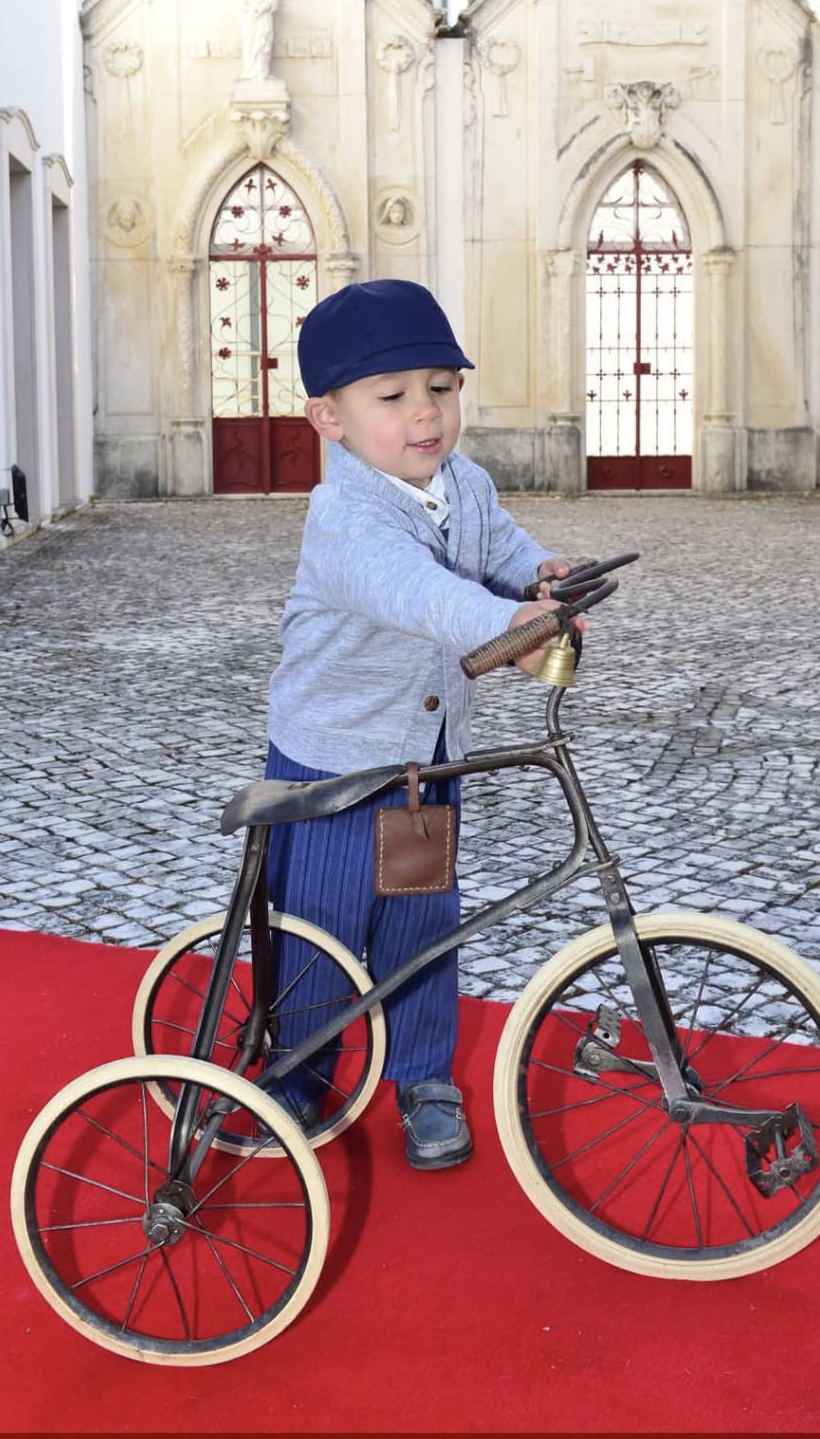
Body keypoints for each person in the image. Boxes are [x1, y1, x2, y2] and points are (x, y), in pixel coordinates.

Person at [264, 278, 582, 1170]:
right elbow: (424, 594)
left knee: (420, 920)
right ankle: (296, 1068)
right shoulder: (345, 517)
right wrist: (508, 631)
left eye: (441, 387)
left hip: (426, 761)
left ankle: (422, 1073)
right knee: (321, 929)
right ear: (329, 419)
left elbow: (500, 549)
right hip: (334, 760)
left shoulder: (465, 484)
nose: (425, 415)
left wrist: (540, 574)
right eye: (393, 397)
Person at [238, 0, 278, 83]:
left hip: (264, 15)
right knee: (249, 42)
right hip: (249, 17)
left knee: (263, 42)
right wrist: (250, 10)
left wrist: (262, 9)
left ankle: (262, 72)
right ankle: (249, 70)